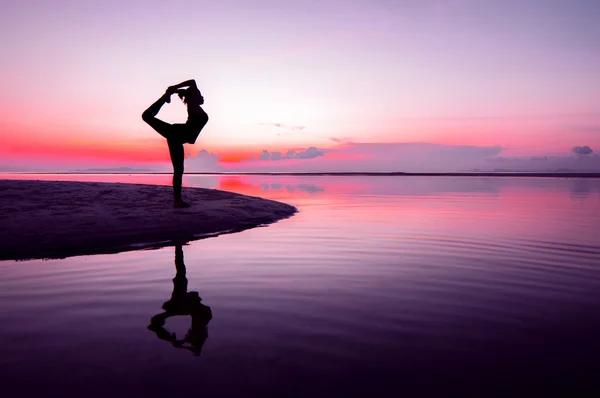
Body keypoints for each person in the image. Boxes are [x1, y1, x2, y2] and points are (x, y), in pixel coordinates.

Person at [142, 79, 209, 208]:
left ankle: (177, 201)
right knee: (146, 116)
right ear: (194, 97)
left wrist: (174, 91)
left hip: (176, 136)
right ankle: (163, 98)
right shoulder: (194, 106)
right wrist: (174, 88)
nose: (202, 96)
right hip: (176, 133)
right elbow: (193, 82)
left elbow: (188, 90)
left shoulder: (194, 105)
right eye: (199, 94)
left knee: (179, 170)